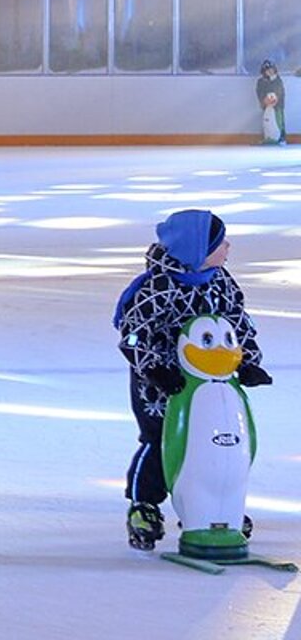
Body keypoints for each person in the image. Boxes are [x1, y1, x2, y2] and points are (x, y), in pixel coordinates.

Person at [114, 207, 270, 552]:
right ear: (197, 250)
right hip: (161, 383)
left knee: (214, 440)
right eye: (220, 242)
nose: (228, 246)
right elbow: (134, 334)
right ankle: (144, 505)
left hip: (213, 380)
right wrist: (155, 370)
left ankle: (212, 509)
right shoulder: (158, 287)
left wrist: (248, 363)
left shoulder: (221, 280)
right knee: (160, 440)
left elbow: (238, 322)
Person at [255, 59, 286, 145]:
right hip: (266, 106)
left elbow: (280, 92)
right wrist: (264, 100)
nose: (270, 72)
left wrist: (276, 99)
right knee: (267, 121)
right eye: (267, 70)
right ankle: (268, 137)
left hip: (277, 107)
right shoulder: (261, 82)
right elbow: (259, 92)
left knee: (278, 121)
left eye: (271, 70)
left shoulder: (278, 80)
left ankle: (281, 138)